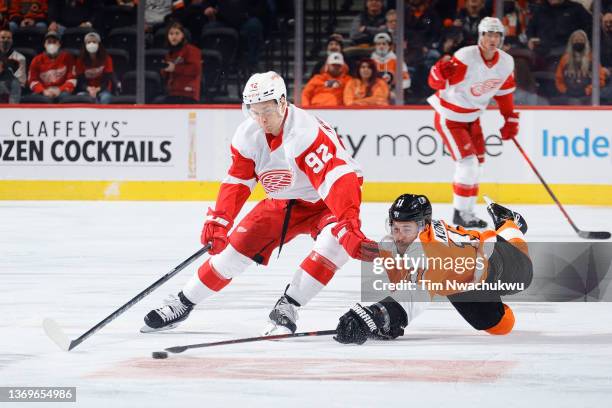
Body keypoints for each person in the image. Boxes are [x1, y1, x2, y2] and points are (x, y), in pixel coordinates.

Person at [142, 71, 379, 335]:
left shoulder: (305, 133)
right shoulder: (247, 135)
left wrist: (348, 224)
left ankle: (288, 305)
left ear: (282, 102)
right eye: (254, 111)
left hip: (326, 202)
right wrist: (219, 220)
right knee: (231, 255)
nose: (262, 119)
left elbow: (339, 178)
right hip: (282, 202)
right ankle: (183, 303)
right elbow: (238, 182)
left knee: (336, 244)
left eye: (267, 110)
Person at [333, 193, 533, 345]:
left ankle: (508, 222)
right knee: (502, 326)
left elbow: (413, 297)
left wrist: (376, 315)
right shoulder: (393, 243)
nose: (399, 236)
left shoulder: (431, 253)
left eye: (406, 229)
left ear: (422, 226)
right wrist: (385, 321)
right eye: (395, 227)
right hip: (461, 281)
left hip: (495, 262)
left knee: (525, 272)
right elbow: (404, 289)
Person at [427, 17, 518, 228]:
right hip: (449, 117)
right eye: (488, 34)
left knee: (478, 166)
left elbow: (504, 94)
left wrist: (510, 118)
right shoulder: (466, 57)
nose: (493, 39)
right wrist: (438, 73)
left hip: (472, 118)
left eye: (497, 35)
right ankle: (460, 212)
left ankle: (467, 212)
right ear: (481, 36)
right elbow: (437, 83)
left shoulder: (506, 62)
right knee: (467, 164)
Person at [554, 29, 608, 105]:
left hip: (588, 96)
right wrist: (565, 90)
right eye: (576, 40)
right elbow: (558, 79)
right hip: (568, 96)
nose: (578, 42)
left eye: (581, 40)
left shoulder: (592, 58)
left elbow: (600, 79)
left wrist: (588, 90)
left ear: (585, 42)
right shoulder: (565, 59)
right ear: (571, 42)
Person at [155, 22, 202, 104]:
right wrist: (164, 70)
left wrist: (175, 68)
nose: (174, 36)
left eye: (177, 33)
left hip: (188, 94)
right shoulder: (169, 54)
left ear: (183, 35)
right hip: (173, 93)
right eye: (171, 34)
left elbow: (196, 69)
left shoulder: (191, 50)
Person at [24, 31, 76, 103]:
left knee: (65, 97)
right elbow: (32, 81)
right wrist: (43, 91)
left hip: (62, 91)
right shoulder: (36, 60)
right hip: (44, 91)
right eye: (49, 42)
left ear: (59, 44)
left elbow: (72, 79)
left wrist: (60, 89)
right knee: (34, 99)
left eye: (54, 42)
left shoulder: (67, 57)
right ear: (44, 45)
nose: (52, 44)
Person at [75, 32, 113, 104]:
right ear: (85, 45)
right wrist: (88, 89)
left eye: (94, 42)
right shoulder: (80, 60)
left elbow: (107, 79)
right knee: (80, 98)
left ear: (99, 44)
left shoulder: (107, 59)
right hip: (86, 90)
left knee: (106, 98)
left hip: (103, 89)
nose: (91, 44)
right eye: (88, 42)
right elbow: (80, 80)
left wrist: (97, 89)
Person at [370, 32, 410, 101]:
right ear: (375, 46)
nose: (381, 46)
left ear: (389, 46)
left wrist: (396, 91)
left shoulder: (397, 61)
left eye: (384, 44)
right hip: (373, 94)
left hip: (393, 94)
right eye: (378, 44)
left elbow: (406, 79)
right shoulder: (370, 62)